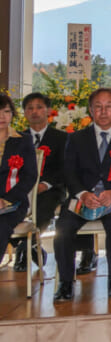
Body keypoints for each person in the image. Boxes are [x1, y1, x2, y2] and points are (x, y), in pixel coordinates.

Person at [53, 88, 111, 302]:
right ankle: (66, 282)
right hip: (83, 198)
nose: (104, 112)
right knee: (63, 228)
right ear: (91, 110)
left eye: (109, 106)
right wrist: (82, 194)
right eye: (98, 107)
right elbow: (68, 171)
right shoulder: (76, 138)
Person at [12, 92, 66, 271]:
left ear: (48, 110)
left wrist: (45, 184)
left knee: (43, 204)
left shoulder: (62, 138)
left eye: (39, 107)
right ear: (24, 113)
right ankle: (30, 246)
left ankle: (25, 247)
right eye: (30, 108)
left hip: (51, 189)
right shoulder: (16, 139)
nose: (34, 112)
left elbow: (64, 168)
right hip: (21, 190)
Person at [0, 95, 40, 275]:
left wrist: (6, 200)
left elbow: (30, 176)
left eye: (7, 111)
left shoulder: (23, 140)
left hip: (13, 202)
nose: (2, 116)